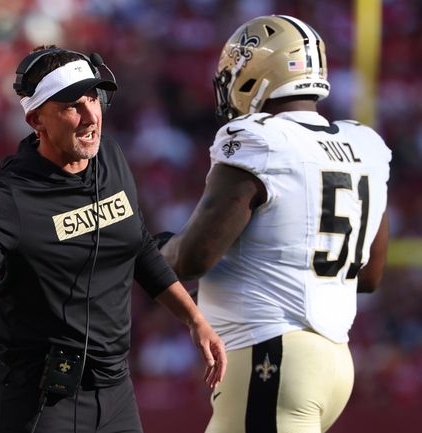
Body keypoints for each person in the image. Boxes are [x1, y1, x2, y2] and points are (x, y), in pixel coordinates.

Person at [0, 45, 226, 433]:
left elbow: (136, 244)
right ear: (36, 118)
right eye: (73, 105)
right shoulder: (11, 195)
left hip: (115, 391)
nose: (92, 115)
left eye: (94, 97)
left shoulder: (110, 157)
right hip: (40, 403)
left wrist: (194, 320)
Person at [159, 15, 391, 433]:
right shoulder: (365, 145)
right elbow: (369, 275)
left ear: (259, 72)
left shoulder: (259, 138)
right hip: (333, 361)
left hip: (271, 354)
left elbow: (192, 259)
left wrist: (149, 251)